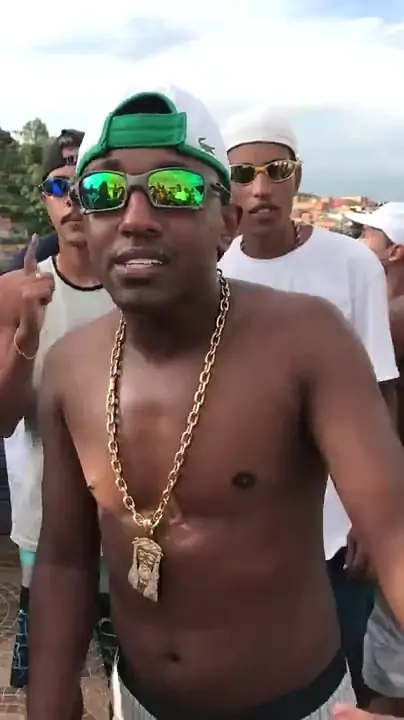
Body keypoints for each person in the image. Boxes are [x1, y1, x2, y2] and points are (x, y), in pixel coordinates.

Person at [27, 82, 404, 720]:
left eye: (174, 190)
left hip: (296, 705)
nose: (135, 218)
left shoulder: (306, 340)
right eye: (105, 191)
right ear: (86, 221)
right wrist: (47, 704)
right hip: (139, 701)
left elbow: (394, 532)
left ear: (225, 221)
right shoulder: (69, 366)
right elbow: (64, 560)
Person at [218, 108, 398, 707]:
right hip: (245, 529)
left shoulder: (352, 263)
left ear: (297, 176)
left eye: (277, 171)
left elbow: (380, 389)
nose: (260, 189)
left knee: (343, 678)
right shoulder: (212, 271)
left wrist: (373, 517)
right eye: (242, 174)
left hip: (338, 529)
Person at [0, 130, 117, 703]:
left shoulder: (142, 284)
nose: (72, 200)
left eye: (86, 185)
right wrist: (27, 332)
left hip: (134, 526)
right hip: (46, 525)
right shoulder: (14, 290)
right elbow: (3, 420)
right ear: (43, 198)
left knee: (133, 679)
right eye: (57, 187)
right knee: (53, 683)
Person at [345, 202, 404, 717]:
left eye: (369, 234)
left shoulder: (393, 318)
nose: (360, 242)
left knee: (387, 671)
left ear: (395, 251)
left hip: (391, 493)